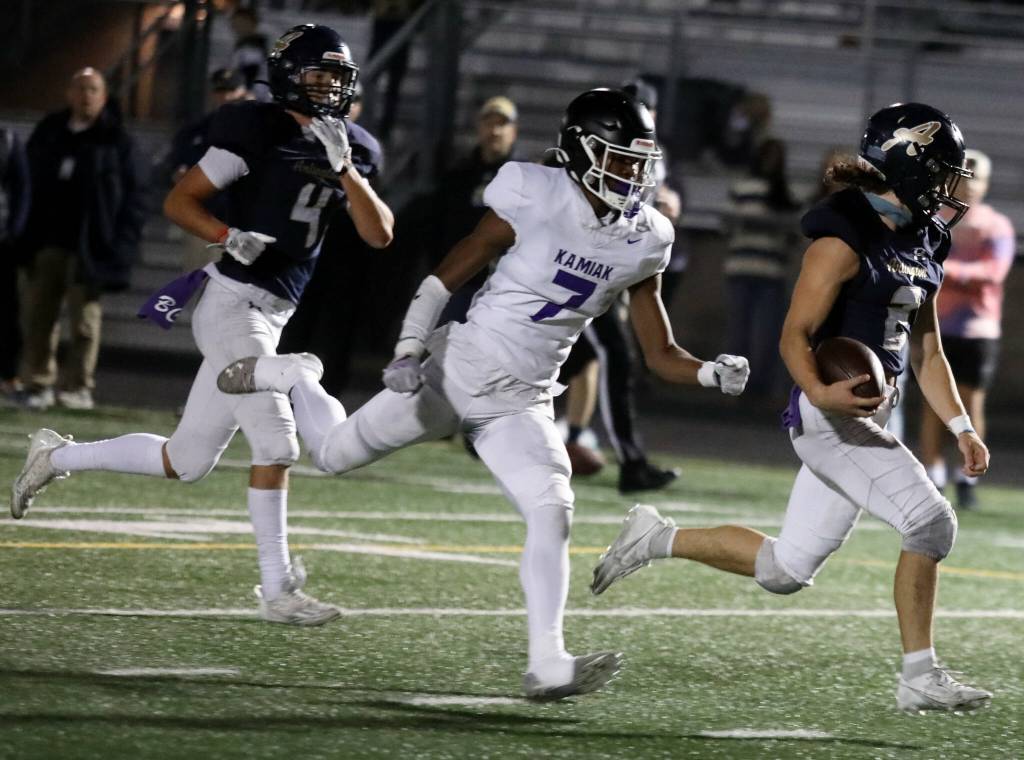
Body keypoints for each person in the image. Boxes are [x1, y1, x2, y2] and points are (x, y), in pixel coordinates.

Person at [214, 88, 750, 698]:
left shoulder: (647, 236)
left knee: (553, 512)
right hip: (456, 369)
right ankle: (294, 375)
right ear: (580, 151)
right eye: (621, 158)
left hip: (521, 400)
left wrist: (711, 373)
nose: (633, 174)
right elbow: (446, 275)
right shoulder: (533, 191)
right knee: (331, 457)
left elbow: (659, 354)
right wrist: (409, 348)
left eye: (640, 162)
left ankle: (547, 663)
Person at [592, 102, 993, 713]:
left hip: (865, 417)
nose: (949, 186)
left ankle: (654, 538)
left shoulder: (924, 234)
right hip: (831, 417)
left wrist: (960, 425)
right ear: (908, 167)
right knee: (931, 522)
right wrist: (820, 391)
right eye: (940, 172)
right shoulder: (841, 236)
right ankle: (919, 675)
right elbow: (793, 334)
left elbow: (928, 350)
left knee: (784, 569)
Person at [11, 25, 394, 627]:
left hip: (271, 314)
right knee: (277, 442)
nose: (331, 87)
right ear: (290, 75)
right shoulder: (256, 128)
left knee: (185, 461)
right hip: (232, 304)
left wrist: (346, 169)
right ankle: (276, 590)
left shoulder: (356, 146)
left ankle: (58, 458)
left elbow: (380, 234)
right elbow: (180, 201)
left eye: (338, 77)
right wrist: (226, 235)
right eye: (319, 74)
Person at [560, 79, 685, 492]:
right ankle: (631, 460)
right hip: (580, 266)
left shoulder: (651, 158)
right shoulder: (595, 150)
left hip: (614, 268)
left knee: (578, 355)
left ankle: (483, 415)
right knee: (614, 354)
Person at [19, 67, 146, 411]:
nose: (85, 96)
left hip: (90, 247)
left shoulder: (116, 140)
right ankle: (38, 382)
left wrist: (119, 246)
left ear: (103, 96)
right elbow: (25, 182)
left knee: (84, 322)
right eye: (80, 88)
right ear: (68, 93)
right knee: (38, 317)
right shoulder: (50, 132)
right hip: (46, 242)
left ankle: (77, 386)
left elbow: (134, 198)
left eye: (92, 89)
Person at [918, 149, 1014, 510]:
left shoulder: (994, 225)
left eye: (975, 177)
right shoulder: (934, 218)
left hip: (977, 329)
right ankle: (934, 475)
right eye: (962, 175)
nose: (967, 184)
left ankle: (966, 477)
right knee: (933, 404)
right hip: (937, 323)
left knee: (971, 404)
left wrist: (946, 272)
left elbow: (993, 272)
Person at [723, 137, 801, 399]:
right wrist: (769, 223)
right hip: (742, 266)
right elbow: (727, 221)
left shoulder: (785, 191)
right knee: (738, 331)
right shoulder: (743, 186)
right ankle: (734, 384)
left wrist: (760, 222)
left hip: (770, 270)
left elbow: (793, 231)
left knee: (766, 333)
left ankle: (759, 386)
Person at [165, 67, 250, 271]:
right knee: (196, 280)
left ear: (243, 91)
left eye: (232, 90)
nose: (227, 97)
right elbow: (178, 160)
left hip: (239, 222)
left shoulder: (256, 129)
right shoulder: (201, 129)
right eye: (221, 91)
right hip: (203, 218)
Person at [0, 125, 31, 404]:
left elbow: (22, 189)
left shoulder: (7, 138)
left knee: (7, 313)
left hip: (2, 242)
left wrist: (13, 233)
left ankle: (9, 377)